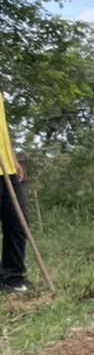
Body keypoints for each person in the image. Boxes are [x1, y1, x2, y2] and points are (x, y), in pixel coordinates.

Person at [0, 91, 28, 294]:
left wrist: (14, 158)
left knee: (19, 222)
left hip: (7, 168)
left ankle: (14, 277)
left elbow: (3, 130)